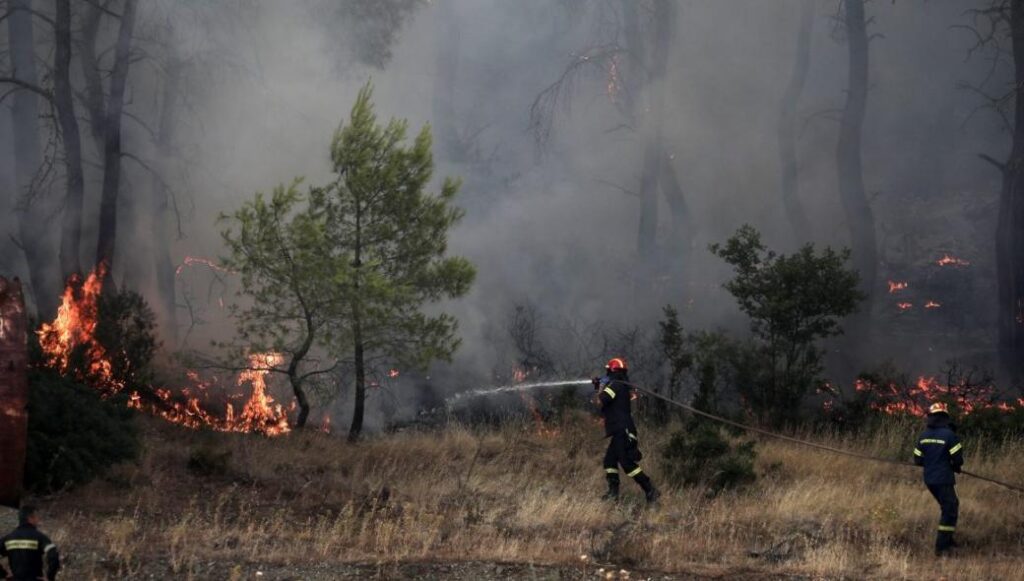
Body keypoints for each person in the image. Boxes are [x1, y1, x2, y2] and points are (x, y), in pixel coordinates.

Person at [594, 357, 659, 504]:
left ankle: (650, 490)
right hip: (622, 430)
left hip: (622, 430)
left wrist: (599, 386)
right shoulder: (622, 385)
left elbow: (600, 401)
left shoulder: (615, 385)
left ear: (611, 370)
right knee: (609, 461)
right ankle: (613, 493)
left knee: (627, 463)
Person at [913, 402, 964, 556]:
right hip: (943, 479)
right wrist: (954, 466)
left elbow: (917, 459)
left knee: (947, 506)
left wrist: (931, 461)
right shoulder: (950, 435)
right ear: (944, 417)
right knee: (950, 509)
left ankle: (947, 540)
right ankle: (942, 547)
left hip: (929, 479)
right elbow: (958, 459)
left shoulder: (924, 435)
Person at [0, 506, 61, 581]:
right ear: (30, 518)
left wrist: (3, 574)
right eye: (36, 517)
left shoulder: (8, 538)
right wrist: (50, 577)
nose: (38, 520)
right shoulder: (39, 537)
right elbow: (53, 556)